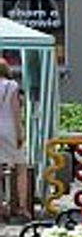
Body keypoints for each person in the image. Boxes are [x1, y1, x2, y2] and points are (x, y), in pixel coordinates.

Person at [0, 60, 28, 221]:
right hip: (9, 127)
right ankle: (21, 207)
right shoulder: (11, 86)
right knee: (20, 167)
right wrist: (20, 133)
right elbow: (16, 111)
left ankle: (1, 206)